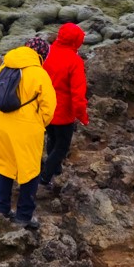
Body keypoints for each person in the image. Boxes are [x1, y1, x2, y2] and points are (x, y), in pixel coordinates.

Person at [0, 36, 56, 229]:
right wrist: (38, 123)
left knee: (5, 165)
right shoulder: (39, 74)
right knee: (30, 171)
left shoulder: (5, 65)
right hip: (27, 127)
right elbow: (49, 108)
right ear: (42, 54)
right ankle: (23, 216)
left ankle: (0, 207)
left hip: (2, 123)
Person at [39, 23, 90, 190]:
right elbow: (78, 92)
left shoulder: (47, 53)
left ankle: (56, 171)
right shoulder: (74, 60)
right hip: (63, 112)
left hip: (45, 108)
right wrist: (82, 116)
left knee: (52, 138)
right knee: (61, 146)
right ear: (76, 41)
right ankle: (45, 177)